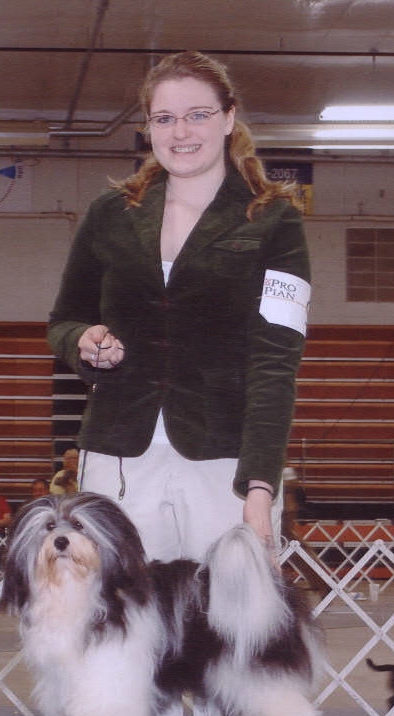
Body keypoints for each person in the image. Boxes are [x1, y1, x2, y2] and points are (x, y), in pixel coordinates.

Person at [47, 51, 311, 563]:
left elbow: (276, 362)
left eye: (198, 114)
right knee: (120, 628)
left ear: (229, 118)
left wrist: (260, 485)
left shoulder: (275, 220)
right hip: (118, 454)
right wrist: (83, 342)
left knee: (230, 634)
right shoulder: (110, 214)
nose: (180, 131)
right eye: (164, 118)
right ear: (148, 128)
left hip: (226, 461)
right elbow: (64, 321)